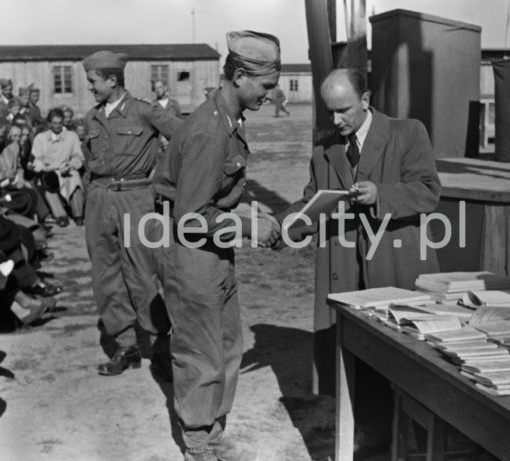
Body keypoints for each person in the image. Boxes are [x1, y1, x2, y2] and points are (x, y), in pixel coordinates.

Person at [277, 68, 441, 457]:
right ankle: (370, 436)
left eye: (343, 110)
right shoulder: (324, 149)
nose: (335, 121)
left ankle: (415, 443)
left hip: (398, 266)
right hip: (345, 268)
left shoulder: (407, 133)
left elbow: (428, 191)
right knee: (356, 356)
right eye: (329, 112)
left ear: (366, 100)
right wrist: (287, 224)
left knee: (408, 356)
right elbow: (311, 198)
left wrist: (380, 194)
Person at [152, 30, 281, 461]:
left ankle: (213, 432)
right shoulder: (210, 131)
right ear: (240, 75)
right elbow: (192, 216)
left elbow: (215, 194)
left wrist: (248, 213)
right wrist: (248, 228)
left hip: (212, 251)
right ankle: (196, 441)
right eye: (265, 86)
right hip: (193, 253)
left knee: (227, 346)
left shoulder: (227, 119)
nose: (269, 94)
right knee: (200, 352)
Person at [81, 50, 182, 376]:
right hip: (99, 199)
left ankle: (161, 346)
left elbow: (185, 140)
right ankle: (126, 346)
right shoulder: (91, 118)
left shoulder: (144, 111)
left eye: (93, 81)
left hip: (136, 199)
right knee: (105, 276)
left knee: (142, 273)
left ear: (112, 80)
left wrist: (163, 181)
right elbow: (89, 161)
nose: (90, 88)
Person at [31, 108, 85, 226]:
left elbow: (78, 157)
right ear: (49, 123)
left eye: (60, 123)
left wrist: (70, 166)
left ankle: (78, 214)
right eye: (54, 123)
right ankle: (60, 215)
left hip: (66, 168)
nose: (57, 126)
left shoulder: (71, 136)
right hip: (49, 171)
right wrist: (45, 168)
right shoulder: (40, 138)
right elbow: (36, 159)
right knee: (48, 182)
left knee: (74, 179)